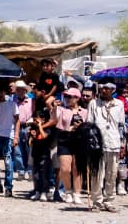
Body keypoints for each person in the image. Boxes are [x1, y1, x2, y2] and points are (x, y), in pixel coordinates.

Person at [87, 81, 124, 212]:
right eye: (102, 88)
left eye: (107, 88)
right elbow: (89, 124)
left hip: (114, 143)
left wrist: (123, 145)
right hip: (98, 144)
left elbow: (121, 126)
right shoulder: (93, 103)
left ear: (112, 90)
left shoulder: (119, 104)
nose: (104, 90)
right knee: (97, 174)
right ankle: (97, 201)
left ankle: (109, 200)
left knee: (112, 174)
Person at [0, 81, 24, 197]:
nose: (0, 94)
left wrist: (16, 136)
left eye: (1, 92)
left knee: (8, 162)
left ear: (5, 92)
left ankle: (8, 186)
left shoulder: (12, 104)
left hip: (8, 135)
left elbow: (17, 120)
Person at [51, 87, 86, 204]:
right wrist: (54, 107)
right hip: (65, 140)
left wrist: (80, 127)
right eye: (66, 96)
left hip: (79, 141)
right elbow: (54, 118)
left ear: (77, 98)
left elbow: (88, 127)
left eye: (69, 97)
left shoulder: (84, 112)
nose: (67, 99)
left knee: (77, 169)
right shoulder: (62, 109)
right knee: (65, 169)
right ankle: (68, 191)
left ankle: (77, 193)